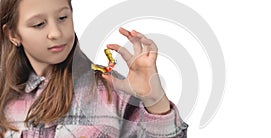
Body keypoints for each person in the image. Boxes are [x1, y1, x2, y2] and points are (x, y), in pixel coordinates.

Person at [0, 0, 188, 137]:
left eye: (63, 17)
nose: (57, 33)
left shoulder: (112, 89)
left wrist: (155, 100)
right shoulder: (5, 98)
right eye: (39, 24)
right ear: (13, 34)